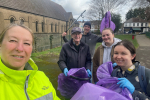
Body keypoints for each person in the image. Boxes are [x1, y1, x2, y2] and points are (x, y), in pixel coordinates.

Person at [0, 24, 60, 100]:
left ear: (31, 49)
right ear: (0, 45)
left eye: (26, 43)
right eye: (13, 40)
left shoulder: (41, 78)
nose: (20, 48)